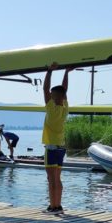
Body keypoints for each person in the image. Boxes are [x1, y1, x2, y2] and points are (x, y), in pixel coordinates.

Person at [42, 62, 72, 213]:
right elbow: (64, 90)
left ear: (54, 97)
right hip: (61, 147)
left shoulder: (51, 108)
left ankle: (53, 207)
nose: (50, 96)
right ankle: (57, 205)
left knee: (51, 179)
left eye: (52, 95)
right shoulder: (65, 108)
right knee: (57, 178)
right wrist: (66, 72)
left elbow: (44, 88)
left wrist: (49, 71)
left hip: (51, 147)